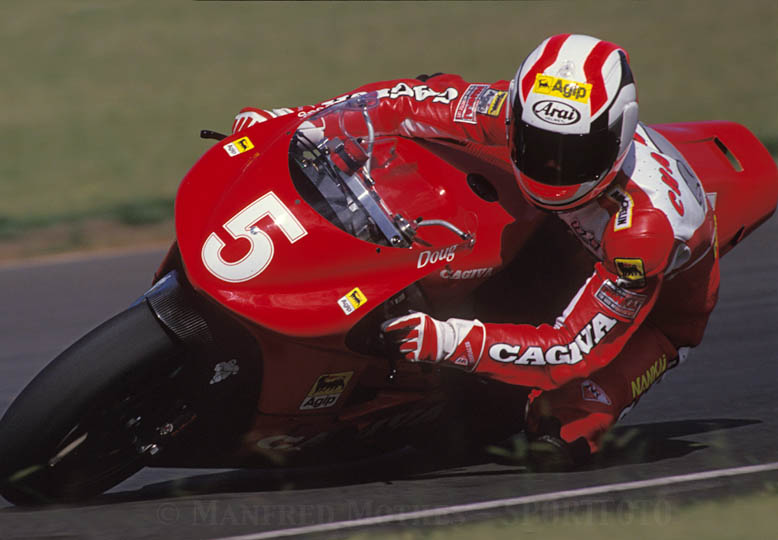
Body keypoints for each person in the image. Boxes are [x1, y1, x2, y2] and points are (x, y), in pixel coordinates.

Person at [231, 34, 720, 470]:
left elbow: (571, 349)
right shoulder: (506, 111)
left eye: (574, 154)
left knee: (560, 431)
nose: (552, 166)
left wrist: (441, 342)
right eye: (536, 144)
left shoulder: (643, 232)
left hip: (658, 301)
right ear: (518, 116)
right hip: (558, 234)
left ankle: (572, 419)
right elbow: (398, 103)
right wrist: (292, 125)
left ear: (613, 140)